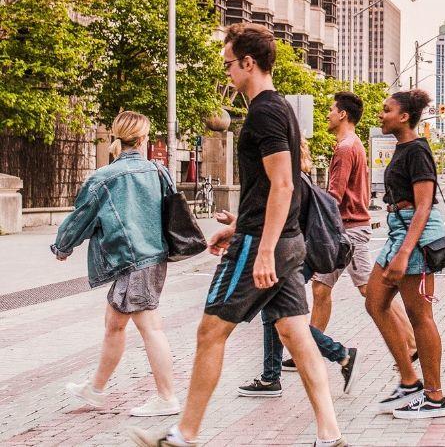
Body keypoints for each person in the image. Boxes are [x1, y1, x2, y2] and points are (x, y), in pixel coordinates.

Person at [129, 23, 344, 447]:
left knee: (211, 332)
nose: (226, 72)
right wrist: (236, 225)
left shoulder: (265, 112)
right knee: (295, 334)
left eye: (229, 64)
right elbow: (278, 187)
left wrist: (260, 248)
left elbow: (284, 184)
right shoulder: (278, 109)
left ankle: (185, 433)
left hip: (265, 244)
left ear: (248, 63)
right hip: (280, 240)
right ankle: (330, 433)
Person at [54, 111, 178, 418]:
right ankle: (95, 389)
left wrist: (62, 246)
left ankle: (167, 397)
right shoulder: (157, 171)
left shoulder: (103, 177)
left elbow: (80, 217)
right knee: (114, 324)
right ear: (143, 138)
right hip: (151, 258)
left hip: (131, 260)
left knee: (149, 327)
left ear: (117, 138)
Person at [236, 139, 361, 398]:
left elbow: (279, 222)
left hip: (292, 257)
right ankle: (271, 378)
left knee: (285, 319)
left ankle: (340, 355)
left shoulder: (289, 183)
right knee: (273, 315)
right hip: (297, 256)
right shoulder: (298, 178)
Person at [312, 93, 416, 360]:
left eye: (331, 109)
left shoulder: (346, 148)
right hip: (345, 228)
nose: (327, 114)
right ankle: (312, 346)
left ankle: (412, 342)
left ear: (343, 114)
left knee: (370, 291)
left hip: (350, 230)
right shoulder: (351, 144)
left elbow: (334, 195)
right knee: (321, 288)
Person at [366, 89, 445, 419]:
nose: (381, 114)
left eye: (387, 110)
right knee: (374, 301)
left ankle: (434, 397)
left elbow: (424, 206)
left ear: (404, 117)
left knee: (420, 317)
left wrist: (404, 253)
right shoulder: (401, 148)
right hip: (397, 231)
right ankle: (409, 379)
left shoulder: (417, 150)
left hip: (415, 236)